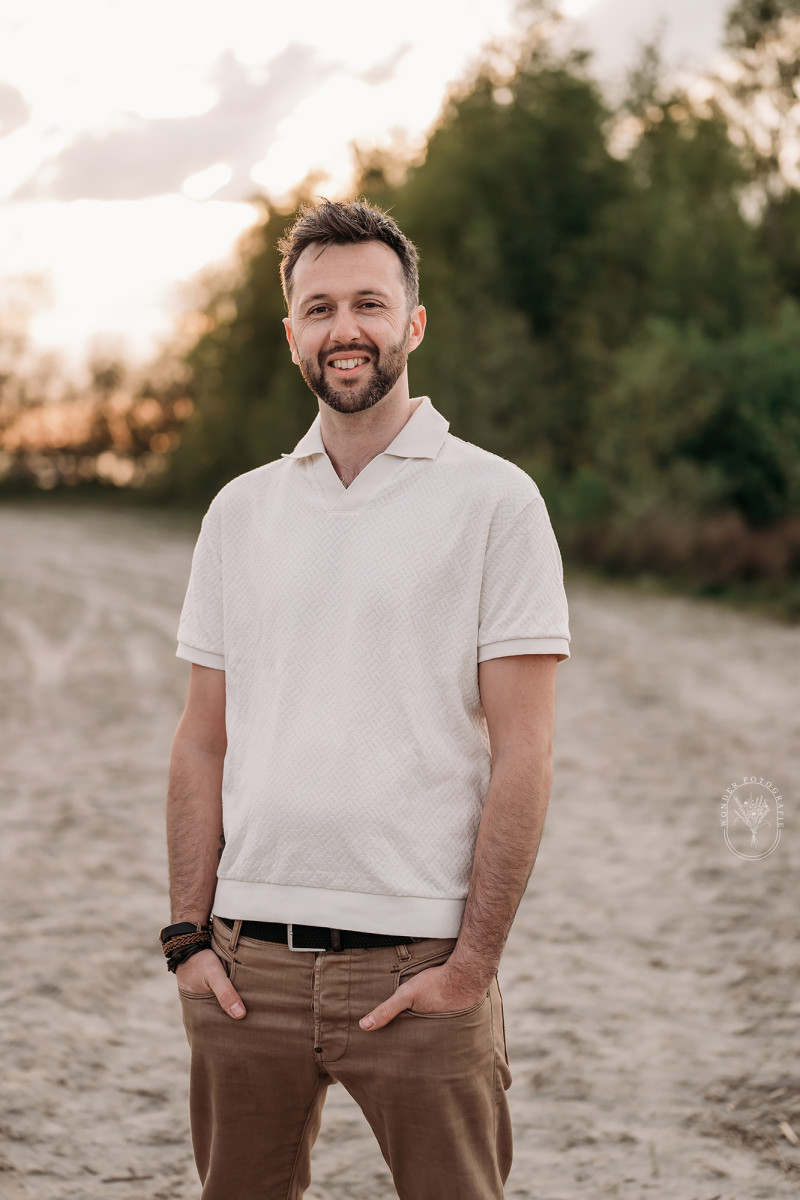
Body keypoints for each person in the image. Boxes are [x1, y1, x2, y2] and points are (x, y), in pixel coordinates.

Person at [162, 198, 570, 1200]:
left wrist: (471, 966)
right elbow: (200, 739)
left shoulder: (494, 501)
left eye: (369, 304)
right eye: (319, 307)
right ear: (291, 330)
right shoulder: (240, 510)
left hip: (417, 967)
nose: (345, 328)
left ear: (411, 325)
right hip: (243, 969)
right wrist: (186, 939)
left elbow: (525, 753)